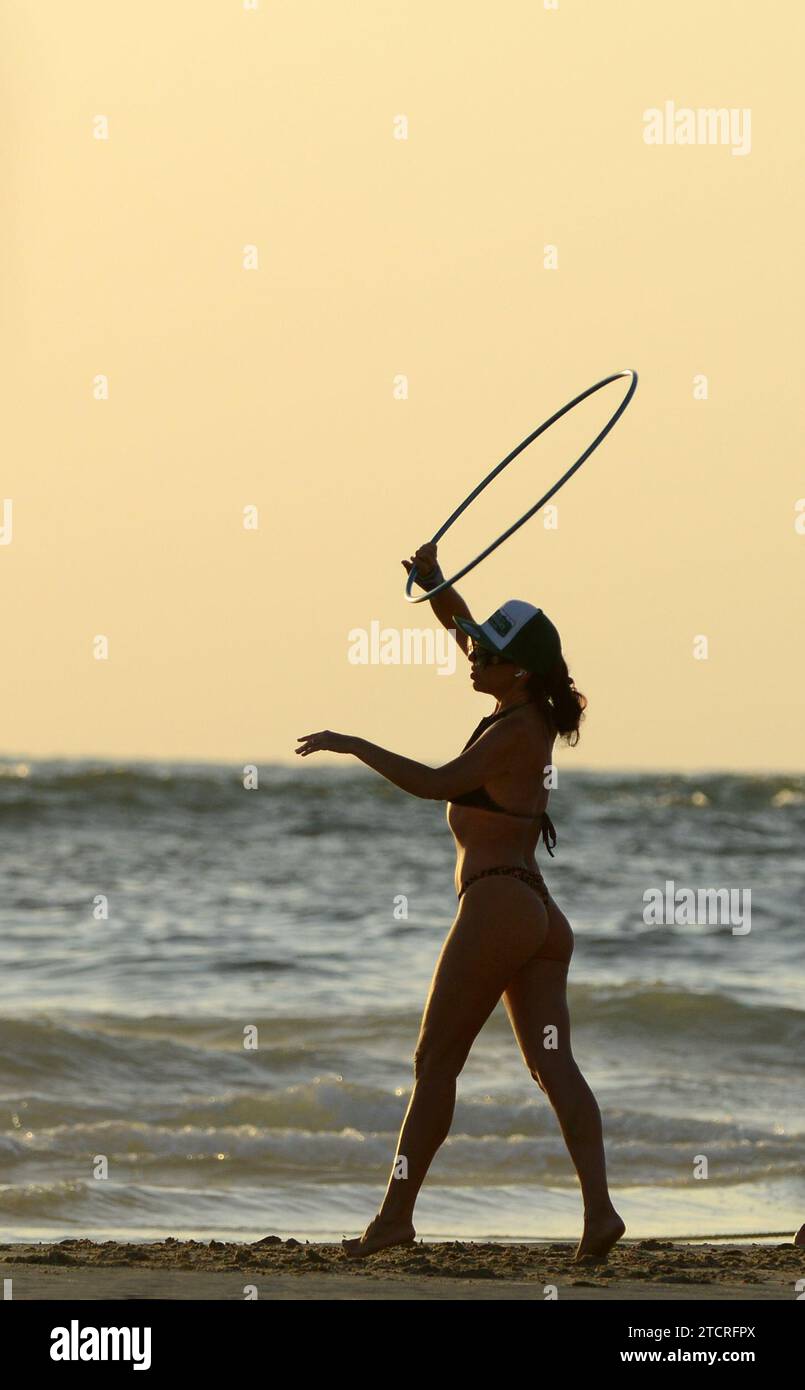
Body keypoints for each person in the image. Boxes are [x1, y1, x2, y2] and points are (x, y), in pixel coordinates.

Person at [295, 543, 624, 1264]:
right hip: (535, 912)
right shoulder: (519, 709)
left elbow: (435, 782)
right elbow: (459, 623)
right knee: (553, 1065)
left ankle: (393, 1218)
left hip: (499, 906)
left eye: (488, 654)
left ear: (521, 669)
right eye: (477, 648)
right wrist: (434, 579)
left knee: (433, 1064)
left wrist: (353, 743)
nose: (473, 657)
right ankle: (599, 1213)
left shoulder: (513, 731)